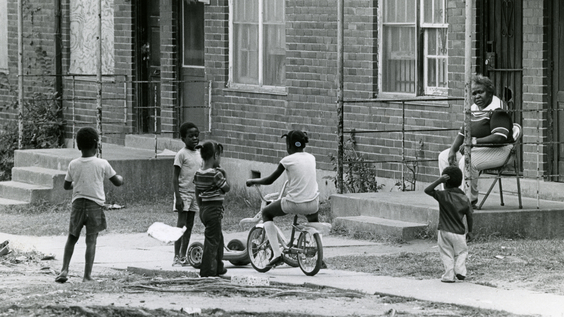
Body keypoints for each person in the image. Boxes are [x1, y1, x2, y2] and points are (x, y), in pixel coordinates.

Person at [55, 127, 124, 283]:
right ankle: (87, 276)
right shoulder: (102, 163)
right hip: (95, 206)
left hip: (78, 205)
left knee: (72, 237)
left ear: (78, 146)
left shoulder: (73, 164)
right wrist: (121, 178)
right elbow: (117, 182)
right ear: (97, 145)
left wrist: (77, 184)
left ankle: (64, 269)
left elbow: (66, 186)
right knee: (91, 240)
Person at [245, 130, 320, 268]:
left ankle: (277, 254)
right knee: (313, 220)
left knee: (266, 213)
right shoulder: (311, 158)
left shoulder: (287, 160)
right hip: (313, 203)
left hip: (294, 203)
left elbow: (270, 180)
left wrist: (253, 180)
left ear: (290, 145)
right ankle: (319, 256)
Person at [438, 74, 514, 207]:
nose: (477, 96)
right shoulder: (472, 109)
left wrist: (473, 142)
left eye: (481, 92)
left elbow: (499, 137)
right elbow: (462, 133)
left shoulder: (498, 109)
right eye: (474, 93)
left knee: (467, 160)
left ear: (490, 92)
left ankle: (468, 200)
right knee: (444, 157)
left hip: (500, 150)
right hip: (477, 149)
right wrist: (452, 150)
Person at [424, 166, 474, 283]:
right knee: (462, 252)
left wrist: (439, 181)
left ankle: (448, 276)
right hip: (459, 232)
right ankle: (460, 270)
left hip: (444, 231)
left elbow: (427, 190)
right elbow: (470, 216)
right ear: (460, 182)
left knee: (446, 253)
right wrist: (470, 231)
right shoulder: (464, 199)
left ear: (445, 183)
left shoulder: (443, 195)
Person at [193, 140, 230, 277]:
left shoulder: (199, 173)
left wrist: (201, 206)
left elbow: (197, 191)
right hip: (214, 210)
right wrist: (225, 174)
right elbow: (227, 188)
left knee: (218, 238)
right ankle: (208, 271)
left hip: (204, 209)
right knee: (212, 241)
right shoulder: (216, 174)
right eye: (219, 156)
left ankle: (218, 266)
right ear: (215, 156)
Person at [172, 122, 203, 266]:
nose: (194, 138)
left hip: (195, 193)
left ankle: (183, 255)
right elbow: (175, 177)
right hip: (183, 193)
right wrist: (178, 197)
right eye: (191, 136)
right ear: (183, 138)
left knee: (189, 225)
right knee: (181, 225)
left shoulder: (200, 154)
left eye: (196, 135)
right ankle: (176, 256)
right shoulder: (181, 154)